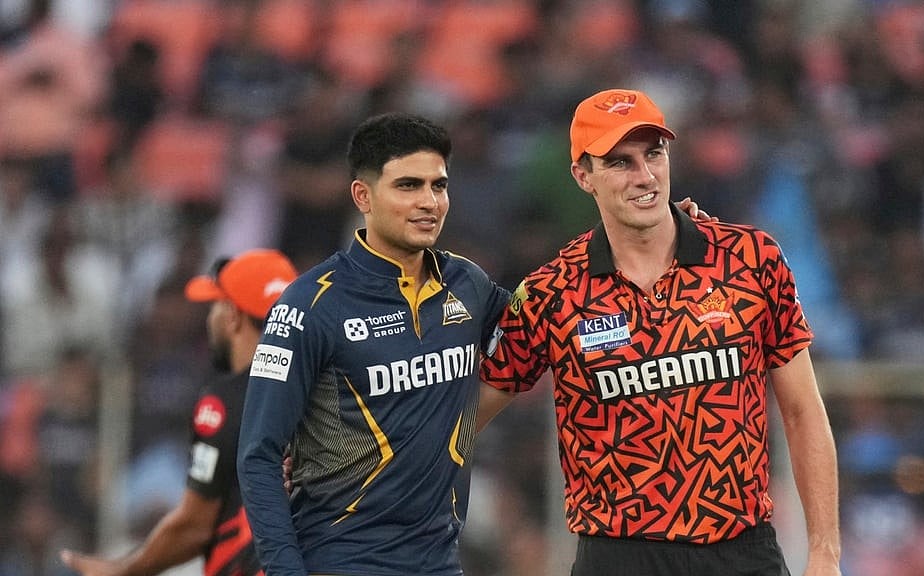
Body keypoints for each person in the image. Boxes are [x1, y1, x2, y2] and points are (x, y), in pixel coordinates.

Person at [239, 112, 711, 576]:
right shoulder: (309, 304)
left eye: (438, 186)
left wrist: (662, 233)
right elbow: (259, 456)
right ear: (363, 195)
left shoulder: (467, 284)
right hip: (340, 560)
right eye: (408, 186)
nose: (429, 202)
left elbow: (561, 308)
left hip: (439, 561)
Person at [477, 88, 842, 576]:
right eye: (619, 162)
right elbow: (462, 418)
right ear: (583, 176)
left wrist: (825, 552)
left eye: (654, 153)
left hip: (741, 551)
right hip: (617, 558)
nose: (645, 175)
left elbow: (802, 411)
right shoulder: (552, 292)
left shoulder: (750, 260)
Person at [60, 248, 299, 576]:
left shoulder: (225, 401)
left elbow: (194, 526)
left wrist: (122, 570)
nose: (210, 318)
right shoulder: (323, 388)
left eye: (215, 305)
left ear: (232, 315)